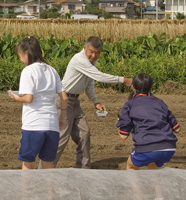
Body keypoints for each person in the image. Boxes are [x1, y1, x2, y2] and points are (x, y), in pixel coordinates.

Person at [53, 36, 133, 169]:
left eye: (98, 52)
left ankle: (84, 168)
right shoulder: (80, 59)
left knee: (84, 133)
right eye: (91, 51)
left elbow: (89, 85)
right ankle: (44, 169)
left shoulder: (91, 62)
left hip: (74, 100)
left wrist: (96, 103)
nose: (94, 55)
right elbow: (99, 76)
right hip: (63, 99)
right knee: (62, 137)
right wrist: (124, 80)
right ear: (84, 48)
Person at [116, 72, 181, 200]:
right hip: (169, 148)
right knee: (152, 166)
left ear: (133, 86)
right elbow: (177, 129)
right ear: (151, 87)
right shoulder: (160, 103)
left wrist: (121, 125)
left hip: (147, 147)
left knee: (131, 167)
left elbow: (123, 136)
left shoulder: (129, 104)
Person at [9, 36, 68, 170]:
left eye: (20, 56)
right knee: (48, 164)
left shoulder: (28, 71)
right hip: (51, 125)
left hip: (33, 125)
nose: (20, 59)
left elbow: (28, 98)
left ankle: (26, 191)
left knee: (28, 163)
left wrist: (16, 97)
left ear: (26, 53)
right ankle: (49, 191)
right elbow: (64, 97)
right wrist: (62, 117)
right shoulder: (52, 70)